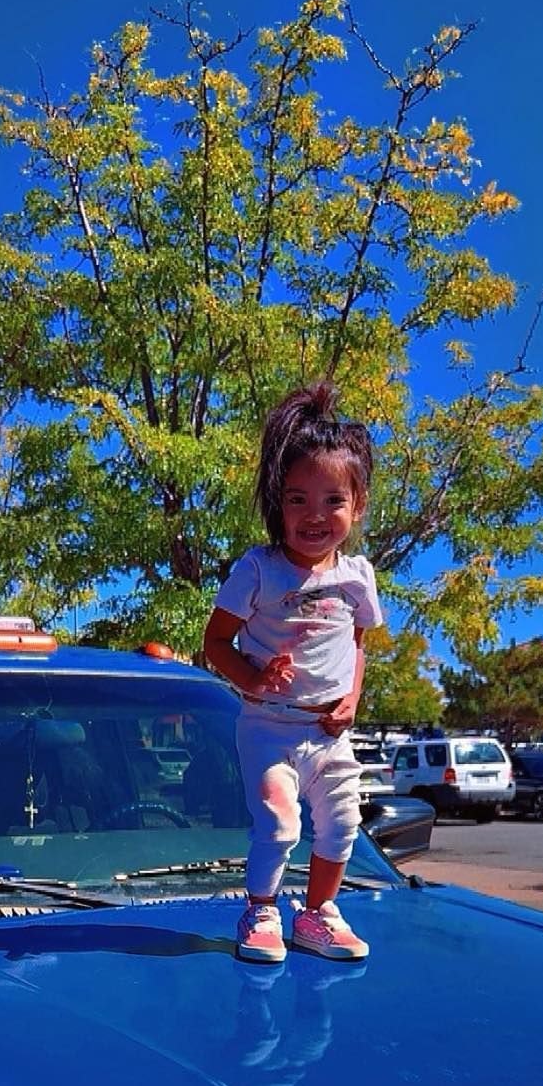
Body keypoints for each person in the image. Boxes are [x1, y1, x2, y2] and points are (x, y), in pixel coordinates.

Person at [203, 381, 383, 963]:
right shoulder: (259, 570)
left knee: (343, 823)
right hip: (269, 728)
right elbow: (216, 643)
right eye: (297, 498)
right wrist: (252, 680)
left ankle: (317, 914)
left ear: (356, 507)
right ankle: (260, 909)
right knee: (279, 822)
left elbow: (357, 642)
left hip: (331, 732)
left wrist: (351, 700)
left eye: (333, 500)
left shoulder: (357, 576)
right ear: (276, 504)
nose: (314, 515)